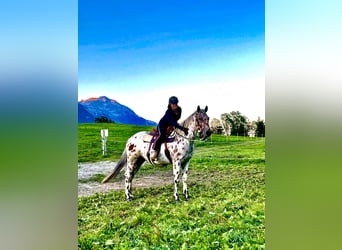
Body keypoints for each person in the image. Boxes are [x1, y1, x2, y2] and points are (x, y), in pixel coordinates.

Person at [151, 96, 188, 161]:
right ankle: (155, 152)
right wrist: (183, 128)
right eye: (172, 104)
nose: (174, 105)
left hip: (171, 124)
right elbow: (173, 122)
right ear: (170, 104)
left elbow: (177, 118)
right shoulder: (168, 112)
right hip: (163, 125)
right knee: (162, 136)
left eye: (175, 103)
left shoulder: (179, 109)